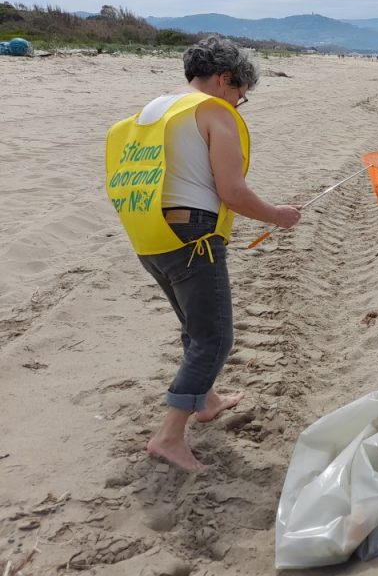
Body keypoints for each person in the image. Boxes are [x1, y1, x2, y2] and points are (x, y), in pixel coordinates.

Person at [105, 36, 301, 472]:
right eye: (240, 94)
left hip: (148, 233)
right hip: (191, 235)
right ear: (225, 78)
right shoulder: (215, 111)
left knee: (196, 328)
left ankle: (207, 401)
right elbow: (232, 192)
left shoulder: (153, 112)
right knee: (214, 338)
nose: (238, 103)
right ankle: (169, 436)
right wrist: (277, 216)